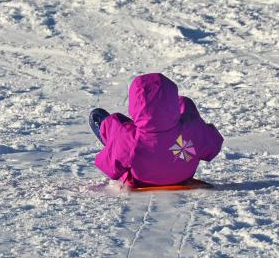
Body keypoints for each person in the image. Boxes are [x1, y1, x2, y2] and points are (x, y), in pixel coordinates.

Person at [89, 73, 223, 187]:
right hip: (182, 175)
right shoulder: (193, 130)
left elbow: (108, 166)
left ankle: (107, 133)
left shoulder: (130, 140)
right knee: (185, 104)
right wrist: (192, 121)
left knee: (114, 125)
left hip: (142, 181)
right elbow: (214, 145)